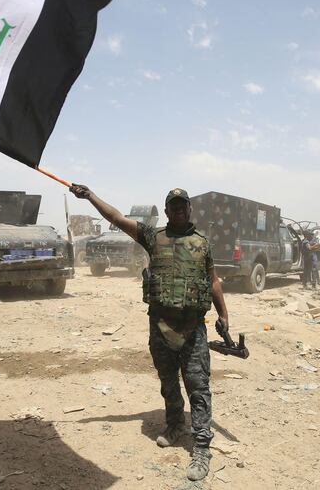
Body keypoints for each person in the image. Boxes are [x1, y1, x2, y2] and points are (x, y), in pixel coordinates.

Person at [70, 184, 229, 482]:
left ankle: (202, 448)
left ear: (190, 210)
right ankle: (174, 425)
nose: (179, 209)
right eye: (174, 205)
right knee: (168, 382)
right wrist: (90, 196)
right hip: (160, 326)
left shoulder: (203, 243)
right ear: (166, 211)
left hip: (193, 328)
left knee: (197, 385)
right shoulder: (152, 237)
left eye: (184, 205)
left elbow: (213, 280)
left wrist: (223, 314)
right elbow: (117, 218)